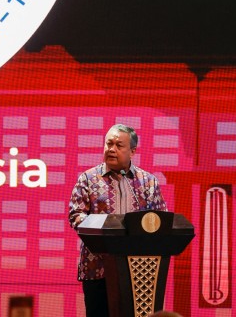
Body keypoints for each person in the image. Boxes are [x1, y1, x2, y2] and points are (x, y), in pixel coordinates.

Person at [68, 124, 167, 317]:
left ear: (132, 151)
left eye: (118, 145)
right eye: (108, 144)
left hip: (140, 270)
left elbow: (160, 218)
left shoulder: (148, 182)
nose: (111, 149)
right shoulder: (88, 179)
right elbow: (76, 215)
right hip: (98, 268)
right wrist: (103, 228)